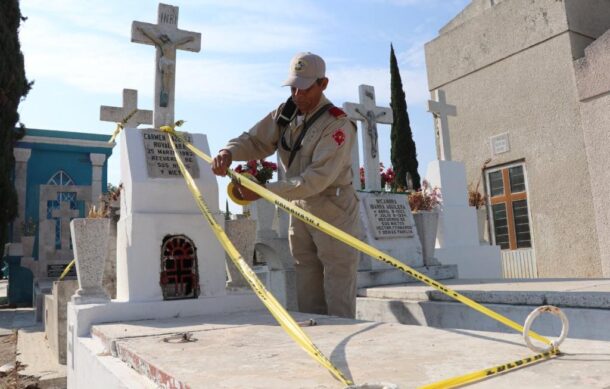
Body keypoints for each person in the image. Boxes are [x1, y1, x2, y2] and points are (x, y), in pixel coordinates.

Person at [212, 52, 361, 318]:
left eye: (304, 88)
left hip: (333, 208)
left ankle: (343, 336)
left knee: (338, 282)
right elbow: (256, 140)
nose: (297, 95)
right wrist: (229, 152)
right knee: (306, 278)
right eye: (293, 87)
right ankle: (317, 336)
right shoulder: (286, 113)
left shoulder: (337, 124)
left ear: (323, 84)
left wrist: (262, 191)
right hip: (298, 205)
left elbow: (315, 180)